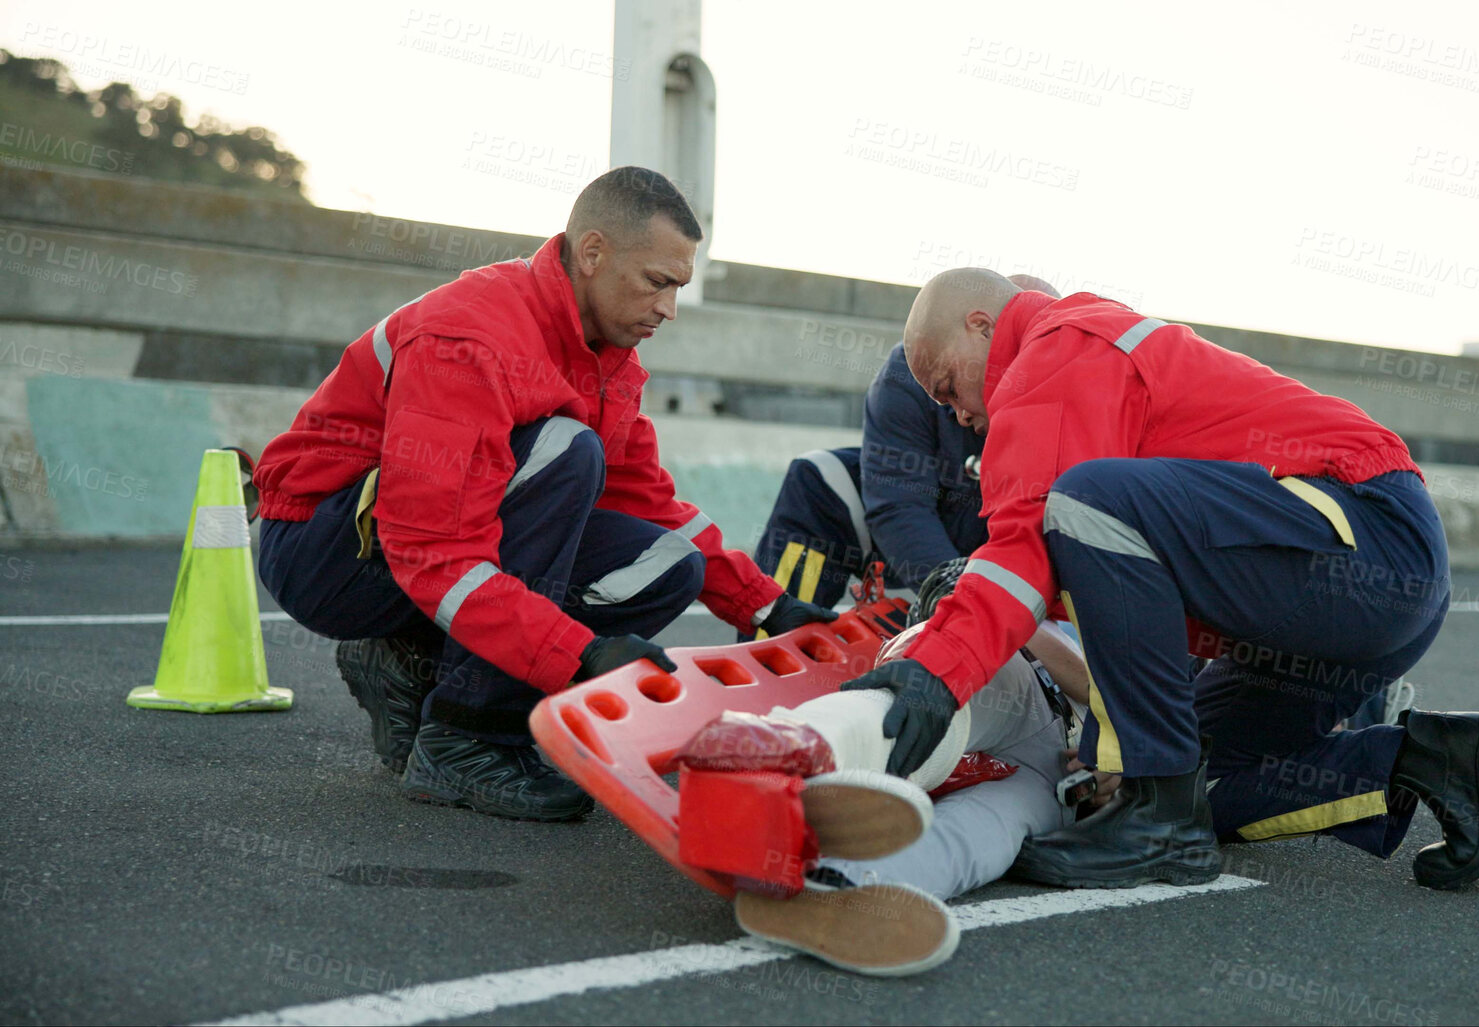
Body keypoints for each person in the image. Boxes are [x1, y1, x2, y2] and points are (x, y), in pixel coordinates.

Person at [837, 268, 1479, 891]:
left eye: (947, 386)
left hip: (1366, 534)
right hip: (1351, 580)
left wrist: (935, 669)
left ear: (981, 325)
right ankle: (1438, 758)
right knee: (1196, 779)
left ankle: (1155, 821)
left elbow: (1035, 531)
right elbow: (1114, 572)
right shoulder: (1086, 356)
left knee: (1079, 501)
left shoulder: (1055, 345)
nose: (954, 412)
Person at [253, 168, 833, 821]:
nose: (668, 308)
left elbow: (646, 500)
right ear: (592, 253)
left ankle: (410, 656)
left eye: (678, 288)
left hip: (405, 547)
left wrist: (767, 605)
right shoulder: (469, 340)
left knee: (671, 562)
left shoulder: (607, 356)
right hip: (324, 554)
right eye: (657, 282)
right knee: (565, 449)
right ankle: (466, 735)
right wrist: (579, 655)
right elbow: (432, 552)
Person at [677, 566, 1099, 975]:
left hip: (1064, 766)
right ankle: (785, 745)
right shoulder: (1015, 611)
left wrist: (1123, 765)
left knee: (985, 831)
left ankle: (838, 883)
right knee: (924, 715)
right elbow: (1027, 636)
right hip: (1024, 687)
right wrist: (1125, 739)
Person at [748, 274, 1060, 615]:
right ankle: (775, 636)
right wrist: (958, 602)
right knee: (817, 478)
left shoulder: (1073, 384)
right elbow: (899, 505)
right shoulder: (914, 369)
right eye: (945, 393)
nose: (959, 417)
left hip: (1012, 576)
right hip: (918, 556)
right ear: (982, 328)